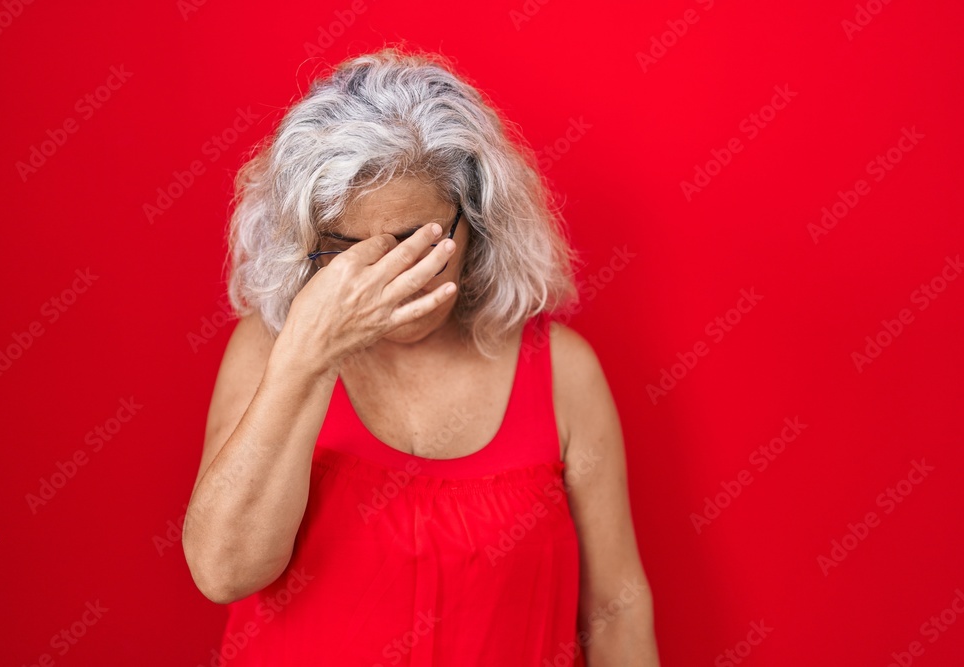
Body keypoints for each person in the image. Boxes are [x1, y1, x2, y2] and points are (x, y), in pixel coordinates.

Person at [183, 45, 660, 666]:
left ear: (478, 223)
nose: (388, 279)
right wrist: (309, 357)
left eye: (415, 245)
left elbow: (616, 609)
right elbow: (223, 573)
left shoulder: (562, 371)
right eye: (345, 249)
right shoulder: (268, 349)